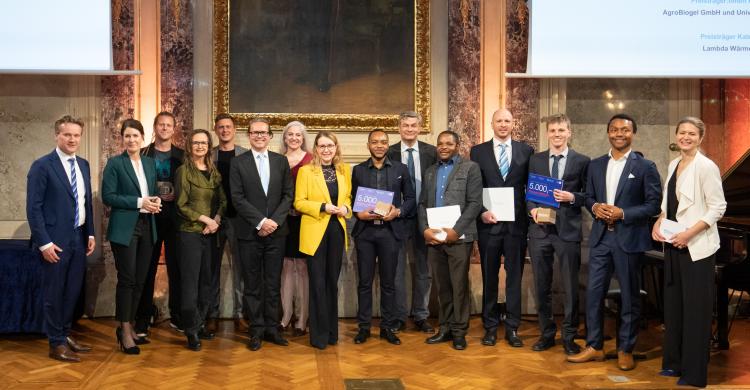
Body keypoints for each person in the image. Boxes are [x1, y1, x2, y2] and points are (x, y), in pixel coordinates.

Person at [568, 113, 661, 371]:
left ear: (633, 134)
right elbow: (587, 197)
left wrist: (624, 213)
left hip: (628, 239)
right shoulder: (596, 165)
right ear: (608, 132)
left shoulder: (645, 167)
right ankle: (595, 346)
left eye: (625, 130)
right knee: (594, 295)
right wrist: (595, 206)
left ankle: (625, 349)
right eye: (615, 129)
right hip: (600, 238)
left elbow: (653, 205)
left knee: (630, 297)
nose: (619, 133)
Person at [652, 117, 726, 388]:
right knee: (674, 307)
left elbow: (717, 207)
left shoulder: (707, 167)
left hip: (697, 247)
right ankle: (673, 363)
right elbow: (668, 204)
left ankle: (694, 374)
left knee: (696, 311)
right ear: (676, 135)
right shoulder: (674, 163)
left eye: (691, 133)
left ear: (700, 137)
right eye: (682, 132)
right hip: (673, 243)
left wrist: (689, 234)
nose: (685, 137)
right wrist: (658, 221)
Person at [26, 115, 96, 362]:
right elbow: (33, 208)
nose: (72, 139)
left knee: (72, 292)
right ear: (56, 135)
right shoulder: (42, 166)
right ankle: (55, 343)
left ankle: (64, 334)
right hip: (54, 241)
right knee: (54, 293)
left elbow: (84, 202)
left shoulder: (84, 164)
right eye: (67, 134)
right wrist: (43, 242)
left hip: (78, 238)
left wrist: (90, 232)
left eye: (76, 135)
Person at [469, 108, 534, 348]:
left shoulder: (526, 151)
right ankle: (490, 327)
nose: (503, 124)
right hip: (489, 225)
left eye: (507, 120)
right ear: (491, 123)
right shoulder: (478, 152)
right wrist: (481, 213)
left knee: (515, 278)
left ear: (513, 123)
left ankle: (513, 328)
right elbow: (474, 189)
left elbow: (531, 188)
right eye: (499, 121)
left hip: (517, 225)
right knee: (489, 278)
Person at [526, 114, 590, 355]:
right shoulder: (536, 160)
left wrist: (573, 197)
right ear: (547, 133)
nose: (557, 134)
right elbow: (529, 193)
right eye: (552, 130)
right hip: (540, 231)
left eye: (561, 130)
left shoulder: (582, 161)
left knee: (569, 287)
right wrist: (532, 211)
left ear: (569, 132)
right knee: (542, 285)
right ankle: (547, 334)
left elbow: (589, 195)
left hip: (567, 231)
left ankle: (570, 336)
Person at [230, 118, 294, 351]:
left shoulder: (281, 162)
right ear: (249, 135)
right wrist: (260, 221)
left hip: (276, 233)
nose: (259, 136)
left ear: (270, 136)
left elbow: (288, 195)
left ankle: (272, 328)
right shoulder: (238, 163)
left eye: (263, 133)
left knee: (273, 283)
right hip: (249, 233)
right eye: (255, 133)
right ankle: (255, 330)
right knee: (252, 284)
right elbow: (237, 198)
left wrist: (274, 222)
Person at [351, 129, 416, 345]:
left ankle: (387, 327)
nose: (379, 145)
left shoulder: (401, 169)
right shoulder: (358, 170)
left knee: (389, 283)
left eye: (383, 142)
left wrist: (397, 211)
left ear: (388, 145)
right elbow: (351, 200)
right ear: (368, 145)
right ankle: (364, 328)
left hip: (390, 232)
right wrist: (357, 212)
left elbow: (410, 199)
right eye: (375, 142)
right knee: (364, 283)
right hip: (365, 233)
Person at [102, 119, 160, 354]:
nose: (132, 140)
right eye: (127, 136)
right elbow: (109, 196)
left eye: (135, 136)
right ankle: (124, 329)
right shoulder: (115, 164)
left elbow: (150, 192)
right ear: (122, 139)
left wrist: (153, 202)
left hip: (148, 226)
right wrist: (139, 202)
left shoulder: (149, 163)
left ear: (142, 138)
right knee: (127, 280)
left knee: (140, 280)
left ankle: (130, 324)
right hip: (125, 229)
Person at [421, 131, 482, 350]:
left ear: (457, 146)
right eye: (440, 143)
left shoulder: (470, 168)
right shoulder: (430, 172)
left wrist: (456, 231)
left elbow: (475, 203)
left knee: (459, 286)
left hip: (459, 239)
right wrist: (424, 230)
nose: (444, 147)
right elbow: (422, 204)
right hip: (435, 238)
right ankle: (444, 328)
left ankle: (459, 331)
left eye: (449, 143)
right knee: (442, 286)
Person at [295, 131, 352, 350]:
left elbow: (348, 197)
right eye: (322, 146)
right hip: (314, 232)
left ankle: (331, 333)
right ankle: (318, 335)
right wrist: (322, 207)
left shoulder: (344, 170)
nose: (326, 150)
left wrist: (346, 207)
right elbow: (299, 202)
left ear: (336, 148)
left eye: (330, 145)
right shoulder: (306, 171)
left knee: (331, 283)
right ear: (315, 149)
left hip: (336, 230)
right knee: (317, 283)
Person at [175, 129, 227, 351]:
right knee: (190, 284)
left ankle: (201, 322)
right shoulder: (183, 172)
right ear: (189, 146)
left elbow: (223, 201)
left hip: (211, 234)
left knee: (206, 282)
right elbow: (181, 204)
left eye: (204, 143)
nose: (199, 146)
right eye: (196, 143)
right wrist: (205, 219)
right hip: (190, 234)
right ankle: (191, 330)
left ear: (209, 146)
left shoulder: (215, 172)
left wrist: (215, 219)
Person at [387, 111, 438, 333]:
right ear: (399, 128)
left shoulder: (432, 152)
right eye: (405, 125)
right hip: (396, 217)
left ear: (419, 128)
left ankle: (421, 314)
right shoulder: (388, 153)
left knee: (423, 268)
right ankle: (399, 316)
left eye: (413, 125)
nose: (409, 129)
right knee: (397, 268)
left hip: (424, 217)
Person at [137, 111, 184, 335]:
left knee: (178, 268)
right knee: (146, 268)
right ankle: (143, 317)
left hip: (175, 219)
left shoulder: (183, 156)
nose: (165, 128)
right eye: (161, 125)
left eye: (169, 125)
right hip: (149, 219)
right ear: (155, 127)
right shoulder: (143, 152)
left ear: (174, 129)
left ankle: (178, 316)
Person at [208, 113, 248, 334]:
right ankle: (212, 314)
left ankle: (240, 315)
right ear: (215, 129)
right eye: (221, 127)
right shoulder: (208, 155)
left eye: (228, 126)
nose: (224, 130)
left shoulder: (245, 154)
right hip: (214, 220)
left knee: (241, 269)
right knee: (212, 269)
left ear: (235, 129)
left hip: (239, 220)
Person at [280, 121, 313, 336]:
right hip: (283, 220)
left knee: (302, 268)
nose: (293, 138)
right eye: (290, 135)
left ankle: (302, 318)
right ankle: (285, 316)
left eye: (298, 135)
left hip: (305, 220)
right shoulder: (277, 160)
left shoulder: (311, 160)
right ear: (284, 138)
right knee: (284, 267)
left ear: (303, 138)